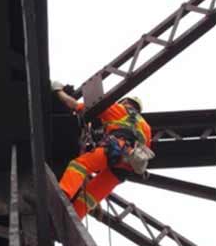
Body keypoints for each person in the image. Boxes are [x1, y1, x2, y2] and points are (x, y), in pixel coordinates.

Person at [52, 81, 154, 219]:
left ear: (125, 102)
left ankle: (61, 197)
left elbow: (76, 106)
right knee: (90, 196)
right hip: (126, 169)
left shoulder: (118, 109)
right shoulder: (146, 128)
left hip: (114, 150)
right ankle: (72, 219)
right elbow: (145, 152)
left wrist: (58, 91)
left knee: (79, 165)